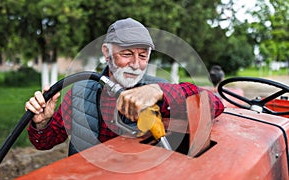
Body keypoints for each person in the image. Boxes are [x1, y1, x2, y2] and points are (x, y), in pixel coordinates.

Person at [25, 18, 224, 155]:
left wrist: (160, 92)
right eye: (127, 54)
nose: (136, 64)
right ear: (107, 52)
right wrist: (42, 123)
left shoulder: (159, 91)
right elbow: (43, 143)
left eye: (143, 55)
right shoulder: (79, 93)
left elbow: (214, 104)